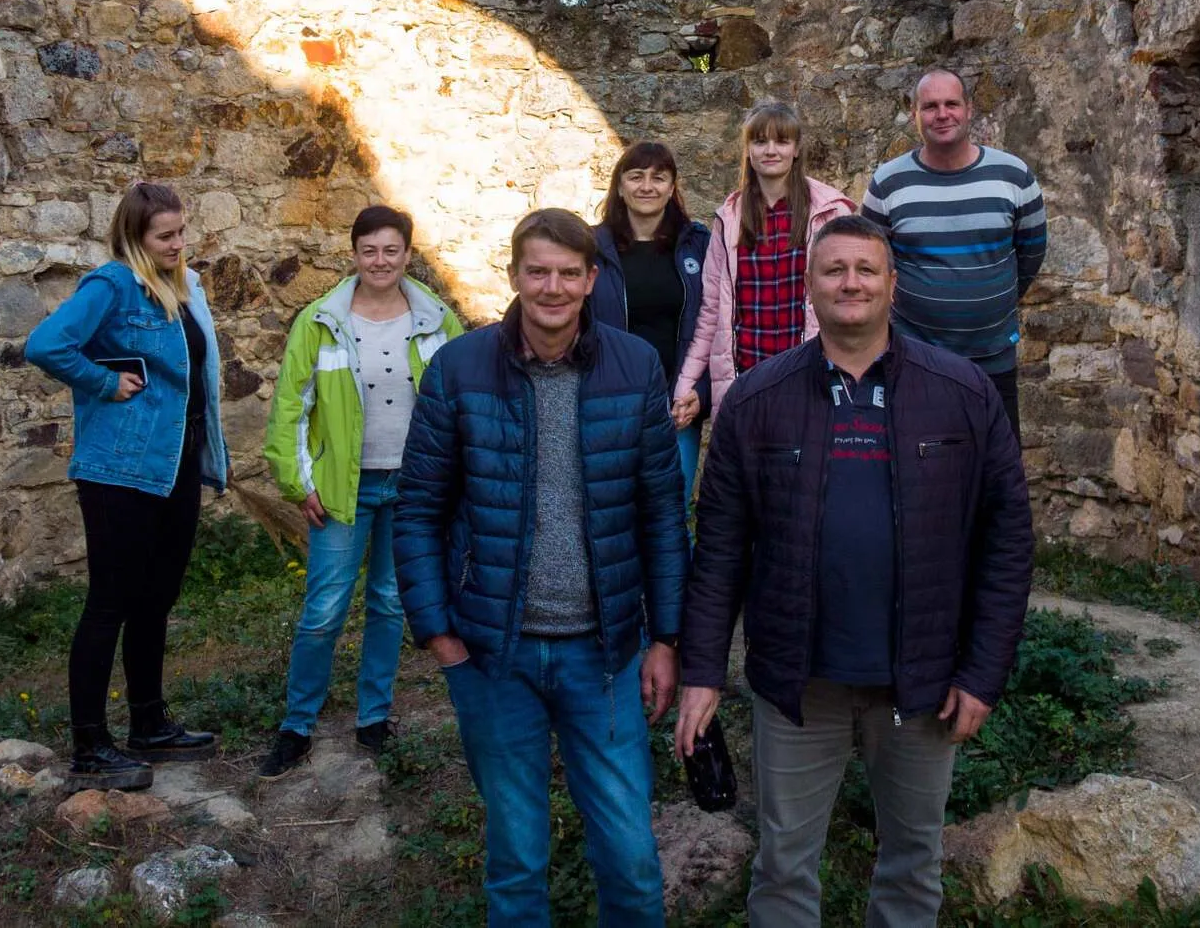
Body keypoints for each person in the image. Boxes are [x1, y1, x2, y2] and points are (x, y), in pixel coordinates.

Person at [675, 214, 1034, 927]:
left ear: (893, 284)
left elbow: (1007, 542)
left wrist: (982, 672)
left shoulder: (960, 393)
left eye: (866, 269)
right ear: (810, 286)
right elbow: (718, 548)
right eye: (834, 269)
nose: (851, 282)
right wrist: (703, 671)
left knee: (911, 867)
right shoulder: (755, 401)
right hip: (798, 683)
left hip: (922, 682)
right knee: (782, 867)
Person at [395, 208, 687, 928]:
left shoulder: (636, 364)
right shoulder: (459, 368)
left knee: (631, 856)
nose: (552, 287)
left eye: (567, 272)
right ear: (515, 276)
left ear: (592, 279)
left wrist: (666, 637)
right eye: (538, 271)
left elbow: (661, 513)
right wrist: (439, 633)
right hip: (496, 654)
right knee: (517, 858)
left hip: (608, 654)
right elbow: (418, 508)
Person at [25, 181, 229, 792]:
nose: (178, 243)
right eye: (164, 236)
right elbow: (45, 345)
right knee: (109, 602)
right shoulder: (110, 285)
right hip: (120, 467)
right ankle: (90, 745)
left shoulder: (180, 287)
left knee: (156, 599)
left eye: (181, 232)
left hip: (177, 463)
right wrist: (102, 382)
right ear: (133, 237)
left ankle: (149, 725)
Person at [256, 205, 464, 781]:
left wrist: (452, 479)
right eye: (369, 250)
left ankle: (373, 718)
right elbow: (291, 408)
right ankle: (297, 725)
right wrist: (298, 481)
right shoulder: (321, 321)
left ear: (407, 254)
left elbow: (459, 403)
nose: (380, 261)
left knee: (391, 603)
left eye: (391, 250)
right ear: (354, 254)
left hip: (414, 487)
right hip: (343, 490)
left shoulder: (436, 319)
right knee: (324, 610)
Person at [861, 68, 1047, 435]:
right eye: (930, 106)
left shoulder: (1014, 176)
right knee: (920, 468)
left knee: (996, 469)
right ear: (915, 114)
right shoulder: (887, 184)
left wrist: (992, 300)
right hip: (915, 359)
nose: (942, 114)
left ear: (969, 109)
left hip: (993, 356)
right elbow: (873, 265)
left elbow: (1031, 252)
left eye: (951, 103)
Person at [671, 100, 855, 428]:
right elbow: (711, 312)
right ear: (748, 149)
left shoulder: (830, 213)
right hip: (747, 381)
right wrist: (687, 383)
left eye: (781, 141)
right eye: (760, 141)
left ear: (796, 149)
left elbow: (851, 301)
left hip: (809, 377)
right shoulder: (729, 219)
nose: (771, 150)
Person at [589, 140, 712, 504]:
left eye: (659, 178)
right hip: (609, 407)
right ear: (620, 186)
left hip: (676, 408)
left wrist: (700, 393)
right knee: (612, 516)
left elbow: (717, 325)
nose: (647, 186)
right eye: (636, 176)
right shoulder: (592, 247)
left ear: (672, 188)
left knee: (671, 517)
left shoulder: (699, 245)